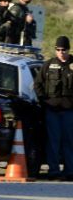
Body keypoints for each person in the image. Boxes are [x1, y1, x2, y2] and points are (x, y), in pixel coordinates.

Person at [34, 36, 73, 180]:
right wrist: (44, 101)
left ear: (68, 49)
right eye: (58, 49)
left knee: (69, 142)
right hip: (52, 111)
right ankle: (54, 171)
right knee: (53, 142)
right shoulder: (48, 65)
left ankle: (70, 171)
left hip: (70, 111)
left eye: (64, 49)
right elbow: (38, 84)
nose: (61, 52)